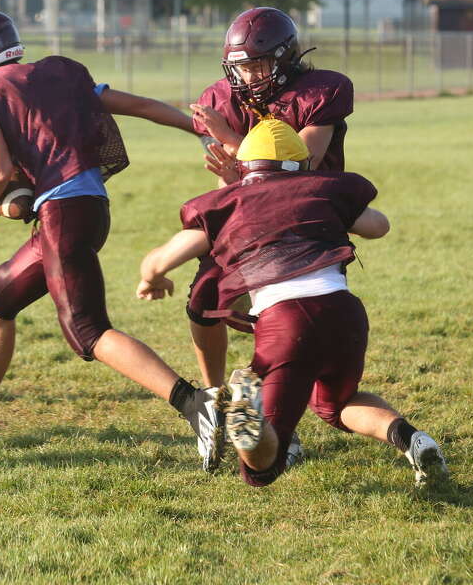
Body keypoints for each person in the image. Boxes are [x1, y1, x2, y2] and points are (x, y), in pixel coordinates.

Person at [0, 9, 228, 472]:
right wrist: (200, 129)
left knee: (88, 331)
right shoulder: (58, 74)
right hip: (84, 209)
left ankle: (195, 405)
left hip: (63, 215)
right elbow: (143, 106)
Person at [135, 116, 449, 487]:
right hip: (344, 313)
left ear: (244, 166)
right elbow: (378, 226)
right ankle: (414, 440)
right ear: (304, 164)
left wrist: (152, 278)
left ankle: (250, 413)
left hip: (286, 323)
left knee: (261, 468)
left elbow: (160, 260)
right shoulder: (322, 192)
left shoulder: (229, 204)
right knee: (337, 404)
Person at [185, 7, 356, 394]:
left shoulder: (318, 93)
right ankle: (215, 397)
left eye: (257, 65)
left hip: (306, 224)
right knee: (202, 300)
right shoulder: (221, 99)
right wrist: (229, 176)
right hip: (249, 219)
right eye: (241, 68)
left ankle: (270, 409)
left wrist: (231, 140)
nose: (248, 77)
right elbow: (228, 183)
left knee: (290, 324)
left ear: (285, 57)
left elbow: (300, 164)